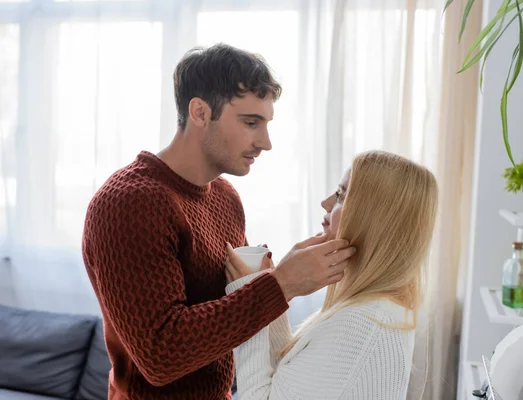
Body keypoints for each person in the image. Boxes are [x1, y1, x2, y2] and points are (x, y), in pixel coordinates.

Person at [81, 43, 355, 400]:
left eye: (266, 124)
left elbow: (227, 314)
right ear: (199, 112)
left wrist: (268, 279)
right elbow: (161, 356)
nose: (266, 142)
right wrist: (282, 284)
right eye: (251, 123)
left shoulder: (225, 196)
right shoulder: (129, 202)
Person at [225, 150, 438, 400]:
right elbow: (289, 382)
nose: (326, 203)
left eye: (341, 196)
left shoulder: (362, 324)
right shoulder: (374, 309)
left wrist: (250, 301)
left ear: (372, 218)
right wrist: (274, 290)